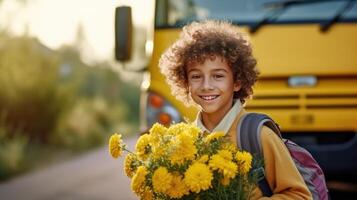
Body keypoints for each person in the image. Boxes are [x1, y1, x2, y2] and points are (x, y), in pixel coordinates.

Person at [159, 20, 312, 199]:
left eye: (218, 76)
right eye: (196, 76)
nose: (206, 85)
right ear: (185, 82)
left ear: (237, 81)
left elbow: (300, 195)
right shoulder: (184, 142)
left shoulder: (260, 136)